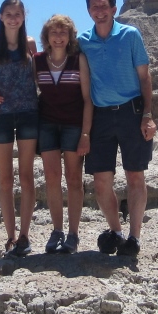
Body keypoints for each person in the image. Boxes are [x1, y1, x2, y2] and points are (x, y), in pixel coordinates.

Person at [78, 0, 156, 257]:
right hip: (100, 116)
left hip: (131, 112)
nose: (99, 11)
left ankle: (134, 237)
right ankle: (116, 231)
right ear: (89, 11)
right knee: (101, 180)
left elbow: (145, 77)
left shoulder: (130, 35)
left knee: (135, 174)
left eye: (104, 7)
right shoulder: (83, 41)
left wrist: (147, 115)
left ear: (113, 9)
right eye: (94, 7)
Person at [0, 0, 39, 257]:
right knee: (5, 179)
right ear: (1, 17)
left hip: (28, 114)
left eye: (18, 13)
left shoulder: (30, 44)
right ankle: (10, 236)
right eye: (8, 14)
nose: (13, 18)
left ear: (24, 16)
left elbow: (39, 80)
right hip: (1, 116)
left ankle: (25, 236)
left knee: (26, 177)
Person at [33, 15, 93, 254]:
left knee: (74, 179)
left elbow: (88, 99)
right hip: (47, 125)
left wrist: (86, 133)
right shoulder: (37, 61)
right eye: (54, 33)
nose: (58, 37)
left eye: (63, 33)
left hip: (74, 125)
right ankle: (57, 230)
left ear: (70, 37)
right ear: (46, 37)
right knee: (51, 178)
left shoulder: (78, 60)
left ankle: (73, 234)